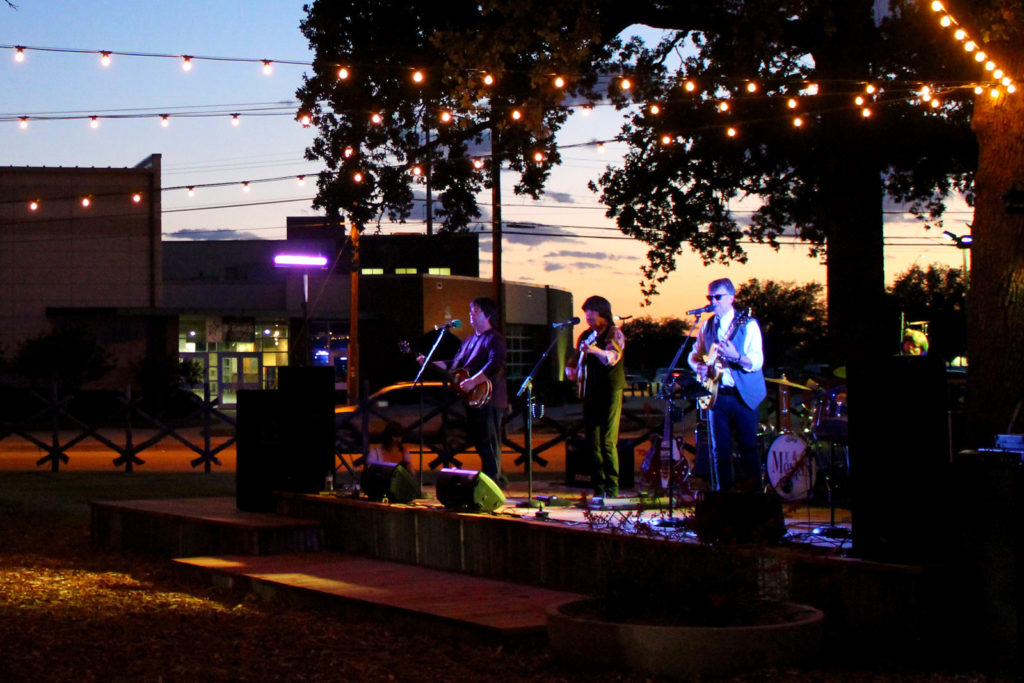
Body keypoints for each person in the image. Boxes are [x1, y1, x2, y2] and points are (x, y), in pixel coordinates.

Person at [687, 278, 766, 492]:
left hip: (743, 395)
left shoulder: (747, 324)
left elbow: (757, 361)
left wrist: (737, 356)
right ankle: (724, 498)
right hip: (716, 395)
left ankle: (755, 498)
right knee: (719, 451)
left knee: (749, 448)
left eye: (718, 297)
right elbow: (693, 355)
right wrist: (699, 367)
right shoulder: (707, 325)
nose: (713, 301)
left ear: (731, 298)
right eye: (710, 297)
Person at [418, 296, 507, 484]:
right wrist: (430, 363)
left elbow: (495, 364)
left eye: (475, 311)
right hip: (472, 399)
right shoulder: (469, 340)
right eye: (470, 311)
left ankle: (494, 481)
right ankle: (493, 479)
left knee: (489, 442)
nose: (470, 315)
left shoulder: (494, 339)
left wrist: (474, 381)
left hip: (490, 398)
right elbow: (455, 365)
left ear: (488, 315)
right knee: (480, 441)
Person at [566, 295, 626, 498]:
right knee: (592, 441)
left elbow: (612, 357)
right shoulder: (585, 335)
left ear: (603, 312)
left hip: (610, 390)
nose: (588, 316)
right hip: (590, 391)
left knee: (608, 441)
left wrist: (594, 351)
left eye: (592, 311)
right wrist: (570, 369)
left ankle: (612, 487)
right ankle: (598, 487)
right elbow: (574, 360)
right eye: (586, 312)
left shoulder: (614, 333)